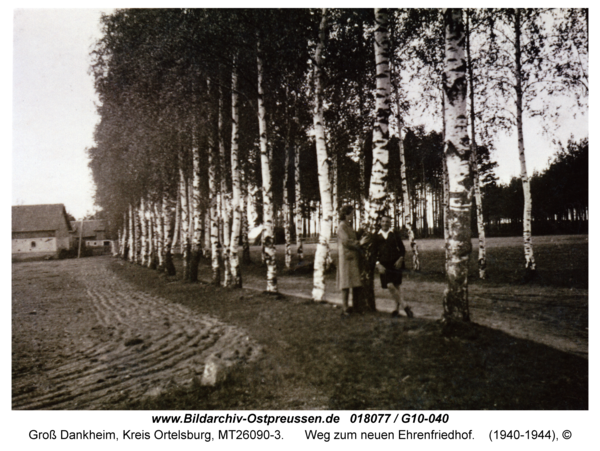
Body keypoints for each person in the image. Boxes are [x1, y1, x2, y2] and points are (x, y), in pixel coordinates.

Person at [374, 214, 414, 318]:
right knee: (389, 285)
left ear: (390, 223)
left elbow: (402, 249)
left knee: (396, 286)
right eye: (383, 221)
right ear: (380, 223)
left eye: (387, 221)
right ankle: (405, 306)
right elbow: (373, 253)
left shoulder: (394, 234)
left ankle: (396, 310)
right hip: (384, 265)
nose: (385, 223)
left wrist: (400, 259)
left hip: (396, 263)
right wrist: (378, 264)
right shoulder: (376, 236)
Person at [336, 205, 362, 316]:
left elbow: (352, 238)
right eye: (351, 214)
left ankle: (355, 306)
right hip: (346, 259)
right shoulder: (341, 227)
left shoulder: (348, 226)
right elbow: (346, 242)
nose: (352, 216)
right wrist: (359, 243)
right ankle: (345, 307)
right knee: (345, 284)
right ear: (346, 215)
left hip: (352, 258)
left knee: (355, 282)